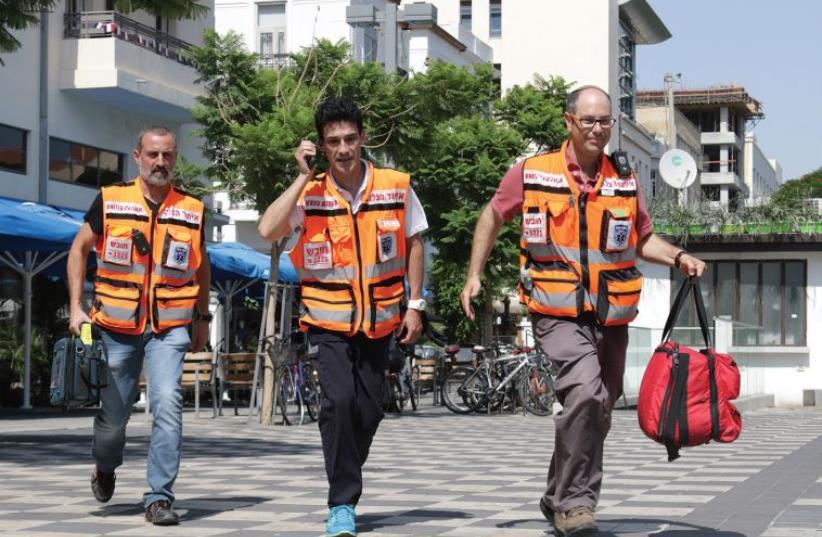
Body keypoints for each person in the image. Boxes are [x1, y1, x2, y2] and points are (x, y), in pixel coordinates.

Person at [459, 86, 706, 537]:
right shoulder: (533, 172)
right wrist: (474, 273)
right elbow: (493, 215)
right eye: (589, 121)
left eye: (606, 121)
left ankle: (556, 493)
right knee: (587, 396)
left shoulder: (624, 179)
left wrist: (678, 256)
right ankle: (576, 505)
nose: (599, 129)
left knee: (600, 408)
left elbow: (641, 239)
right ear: (569, 122)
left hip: (610, 313)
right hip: (556, 310)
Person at [259, 97, 427, 537]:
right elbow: (268, 230)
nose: (344, 148)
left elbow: (415, 241)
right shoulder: (310, 193)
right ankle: (342, 503)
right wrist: (300, 177)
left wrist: (415, 304)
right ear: (321, 146)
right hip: (325, 322)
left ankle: (343, 474)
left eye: (350, 138)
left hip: (381, 321)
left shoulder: (394, 185)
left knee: (369, 411)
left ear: (363, 138)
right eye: (333, 141)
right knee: (337, 403)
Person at [67, 126, 211, 526]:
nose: (160, 162)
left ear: (175, 157)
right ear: (137, 156)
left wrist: (203, 318)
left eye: (167, 155)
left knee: (167, 402)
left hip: (169, 327)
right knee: (114, 416)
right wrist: (76, 309)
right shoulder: (111, 200)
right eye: (152, 155)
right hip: (115, 325)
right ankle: (105, 465)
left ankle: (159, 497)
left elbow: (202, 267)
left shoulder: (193, 209)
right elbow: (78, 250)